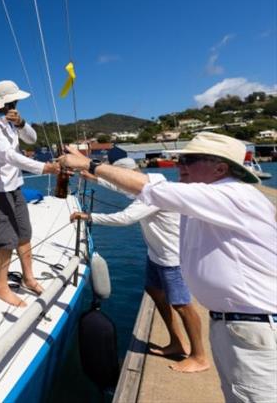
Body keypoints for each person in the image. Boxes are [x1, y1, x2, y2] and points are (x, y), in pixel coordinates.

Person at [58, 132, 276, 401]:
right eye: (180, 158)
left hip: (254, 328)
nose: (179, 165)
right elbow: (143, 188)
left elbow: (149, 192)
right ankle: (183, 345)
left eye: (191, 160)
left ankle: (196, 354)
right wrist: (97, 174)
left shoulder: (231, 195)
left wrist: (90, 165)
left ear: (221, 168)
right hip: (234, 326)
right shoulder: (207, 194)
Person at [70, 157, 208, 373]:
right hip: (156, 255)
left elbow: (125, 219)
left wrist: (89, 216)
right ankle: (176, 341)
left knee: (182, 305)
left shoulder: (153, 196)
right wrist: (96, 179)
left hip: (171, 258)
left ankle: (199, 356)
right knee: (153, 290)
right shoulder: (151, 183)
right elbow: (124, 188)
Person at [0, 80, 60, 306]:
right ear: (5, 102)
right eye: (13, 101)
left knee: (24, 234)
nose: (15, 104)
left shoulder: (10, 122)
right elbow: (8, 155)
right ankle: (1, 286)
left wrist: (22, 123)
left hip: (15, 186)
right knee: (5, 241)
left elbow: (32, 139)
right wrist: (44, 168)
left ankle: (28, 278)